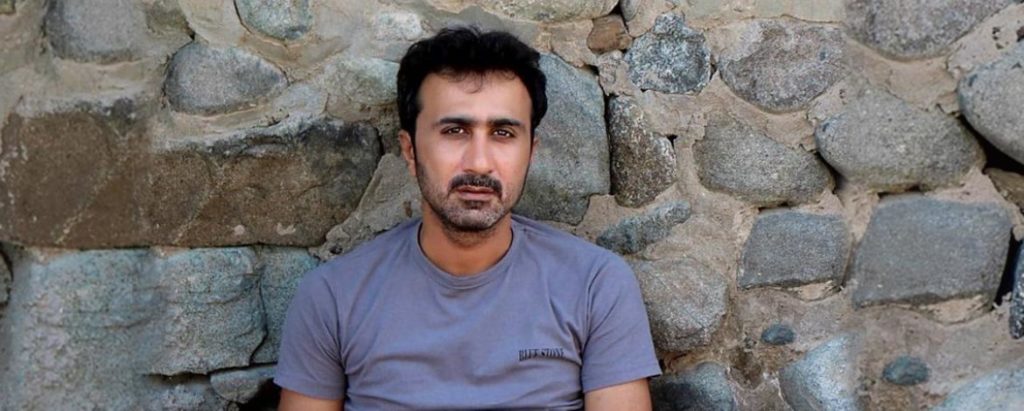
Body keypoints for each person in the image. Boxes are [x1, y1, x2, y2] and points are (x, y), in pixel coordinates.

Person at [274, 26, 661, 410]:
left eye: (503, 133)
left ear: (530, 151)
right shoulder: (333, 298)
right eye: (455, 130)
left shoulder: (595, 287)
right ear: (410, 150)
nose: (479, 162)